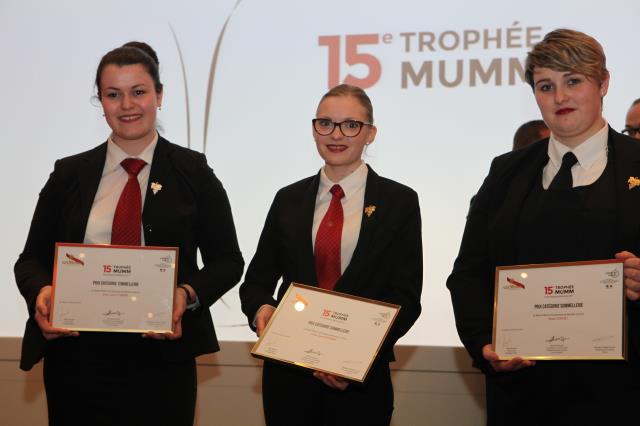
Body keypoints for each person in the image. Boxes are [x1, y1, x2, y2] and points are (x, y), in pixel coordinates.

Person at [14, 42, 244, 426]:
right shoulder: (69, 174)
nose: (127, 105)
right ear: (100, 101)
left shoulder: (193, 172)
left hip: (162, 363)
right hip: (77, 360)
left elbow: (228, 261)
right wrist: (42, 291)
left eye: (138, 92)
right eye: (113, 94)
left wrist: (184, 295)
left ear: (159, 95)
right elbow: (30, 260)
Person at [447, 29, 640, 426]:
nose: (560, 98)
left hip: (622, 396)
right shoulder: (506, 171)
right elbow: (468, 273)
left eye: (574, 81)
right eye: (546, 86)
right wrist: (484, 341)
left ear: (603, 83)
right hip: (522, 397)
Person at [239, 84, 422, 426]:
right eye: (325, 123)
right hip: (288, 381)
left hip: (359, 382)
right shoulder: (287, 200)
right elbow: (256, 282)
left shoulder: (400, 202)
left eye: (351, 125)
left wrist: (356, 360)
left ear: (370, 134)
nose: (336, 134)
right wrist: (262, 309)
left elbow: (406, 298)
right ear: (313, 129)